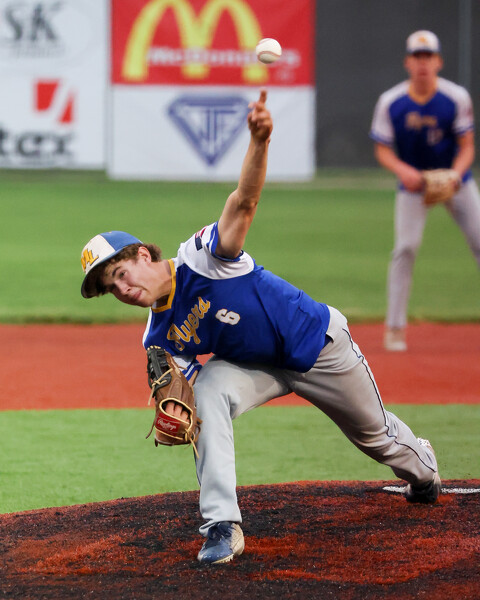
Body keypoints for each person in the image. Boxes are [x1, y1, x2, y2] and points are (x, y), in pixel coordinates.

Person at [80, 89, 440, 565]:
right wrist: (182, 414)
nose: (122, 289)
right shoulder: (158, 336)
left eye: (121, 273)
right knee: (207, 394)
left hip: (318, 346)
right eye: (111, 288)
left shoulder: (203, 257)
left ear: (143, 255)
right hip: (257, 368)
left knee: (377, 438)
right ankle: (221, 525)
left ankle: (424, 467)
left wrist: (259, 141)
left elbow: (244, 201)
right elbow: (188, 396)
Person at [370, 30, 480, 352]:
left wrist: (455, 175)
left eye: (428, 56)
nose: (422, 63)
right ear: (407, 62)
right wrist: (403, 171)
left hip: (456, 181)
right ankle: (394, 328)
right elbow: (382, 149)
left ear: (438, 61)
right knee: (405, 248)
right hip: (414, 184)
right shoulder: (391, 102)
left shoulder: (456, 97)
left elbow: (467, 146)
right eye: (417, 56)